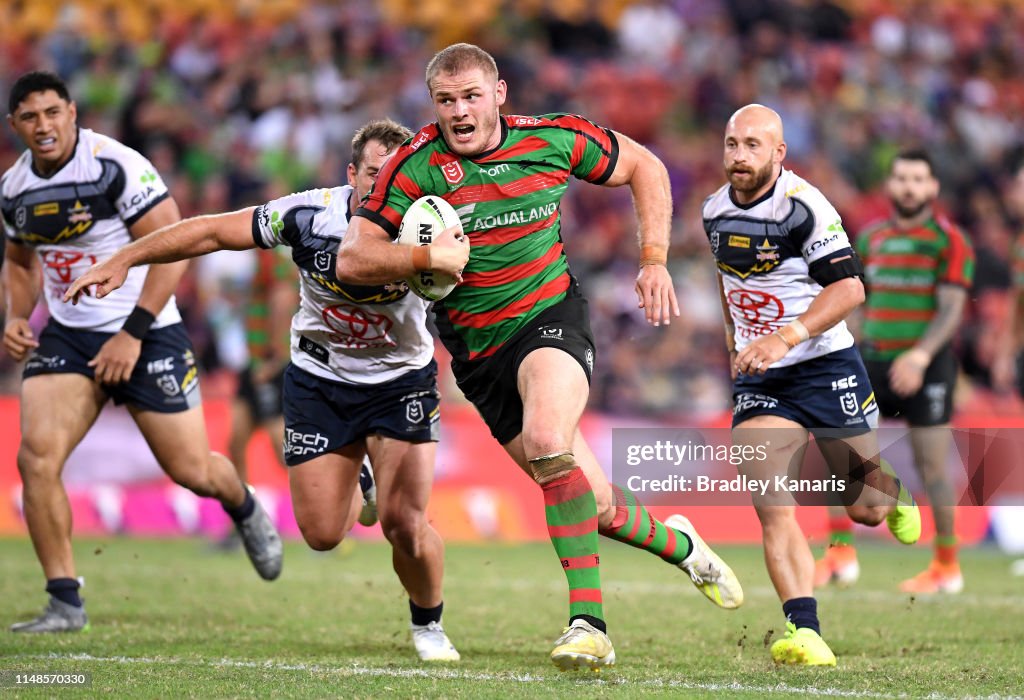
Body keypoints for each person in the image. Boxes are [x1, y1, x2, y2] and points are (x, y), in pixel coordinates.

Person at [332, 42, 744, 672]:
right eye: (446, 100)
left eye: (472, 96)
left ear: (499, 94)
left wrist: (654, 259)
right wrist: (422, 259)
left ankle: (589, 626)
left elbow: (647, 167)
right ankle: (680, 544)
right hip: (477, 356)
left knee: (549, 440)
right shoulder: (413, 166)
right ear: (433, 105)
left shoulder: (553, 138)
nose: (460, 112)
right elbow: (353, 259)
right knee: (593, 503)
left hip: (550, 317)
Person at [66, 118, 463, 662]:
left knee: (404, 523)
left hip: (401, 381)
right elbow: (209, 232)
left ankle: (429, 625)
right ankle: (362, 475)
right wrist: (124, 257)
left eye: (397, 172)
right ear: (352, 175)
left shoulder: (433, 222)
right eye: (375, 173)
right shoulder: (308, 214)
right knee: (323, 534)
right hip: (319, 380)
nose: (386, 183)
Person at [1, 71, 282, 633]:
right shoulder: (14, 188)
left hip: (148, 330)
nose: (44, 125)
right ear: (15, 126)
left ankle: (244, 506)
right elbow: (21, 261)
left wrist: (132, 332)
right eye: (30, 117)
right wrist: (15, 314)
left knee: (193, 470)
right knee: (35, 459)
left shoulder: (116, 166)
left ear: (73, 112)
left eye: (53, 112)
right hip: (70, 334)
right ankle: (64, 600)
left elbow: (172, 250)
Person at [702, 104, 921, 665]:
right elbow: (730, 287)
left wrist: (785, 337)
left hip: (825, 365)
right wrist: (737, 345)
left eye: (753, 145)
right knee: (771, 499)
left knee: (865, 507)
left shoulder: (804, 207)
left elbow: (849, 290)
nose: (739, 155)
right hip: (763, 379)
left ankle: (890, 489)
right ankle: (805, 630)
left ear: (779, 153)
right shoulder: (714, 212)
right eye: (732, 144)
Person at [815, 150, 973, 594]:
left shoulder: (948, 240)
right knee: (843, 453)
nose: (908, 186)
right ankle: (840, 554)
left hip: (928, 365)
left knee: (932, 466)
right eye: (901, 178)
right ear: (890, 185)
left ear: (932, 188)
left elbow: (952, 308)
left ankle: (946, 565)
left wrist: (920, 356)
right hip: (873, 361)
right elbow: (857, 299)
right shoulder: (871, 238)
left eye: (918, 179)